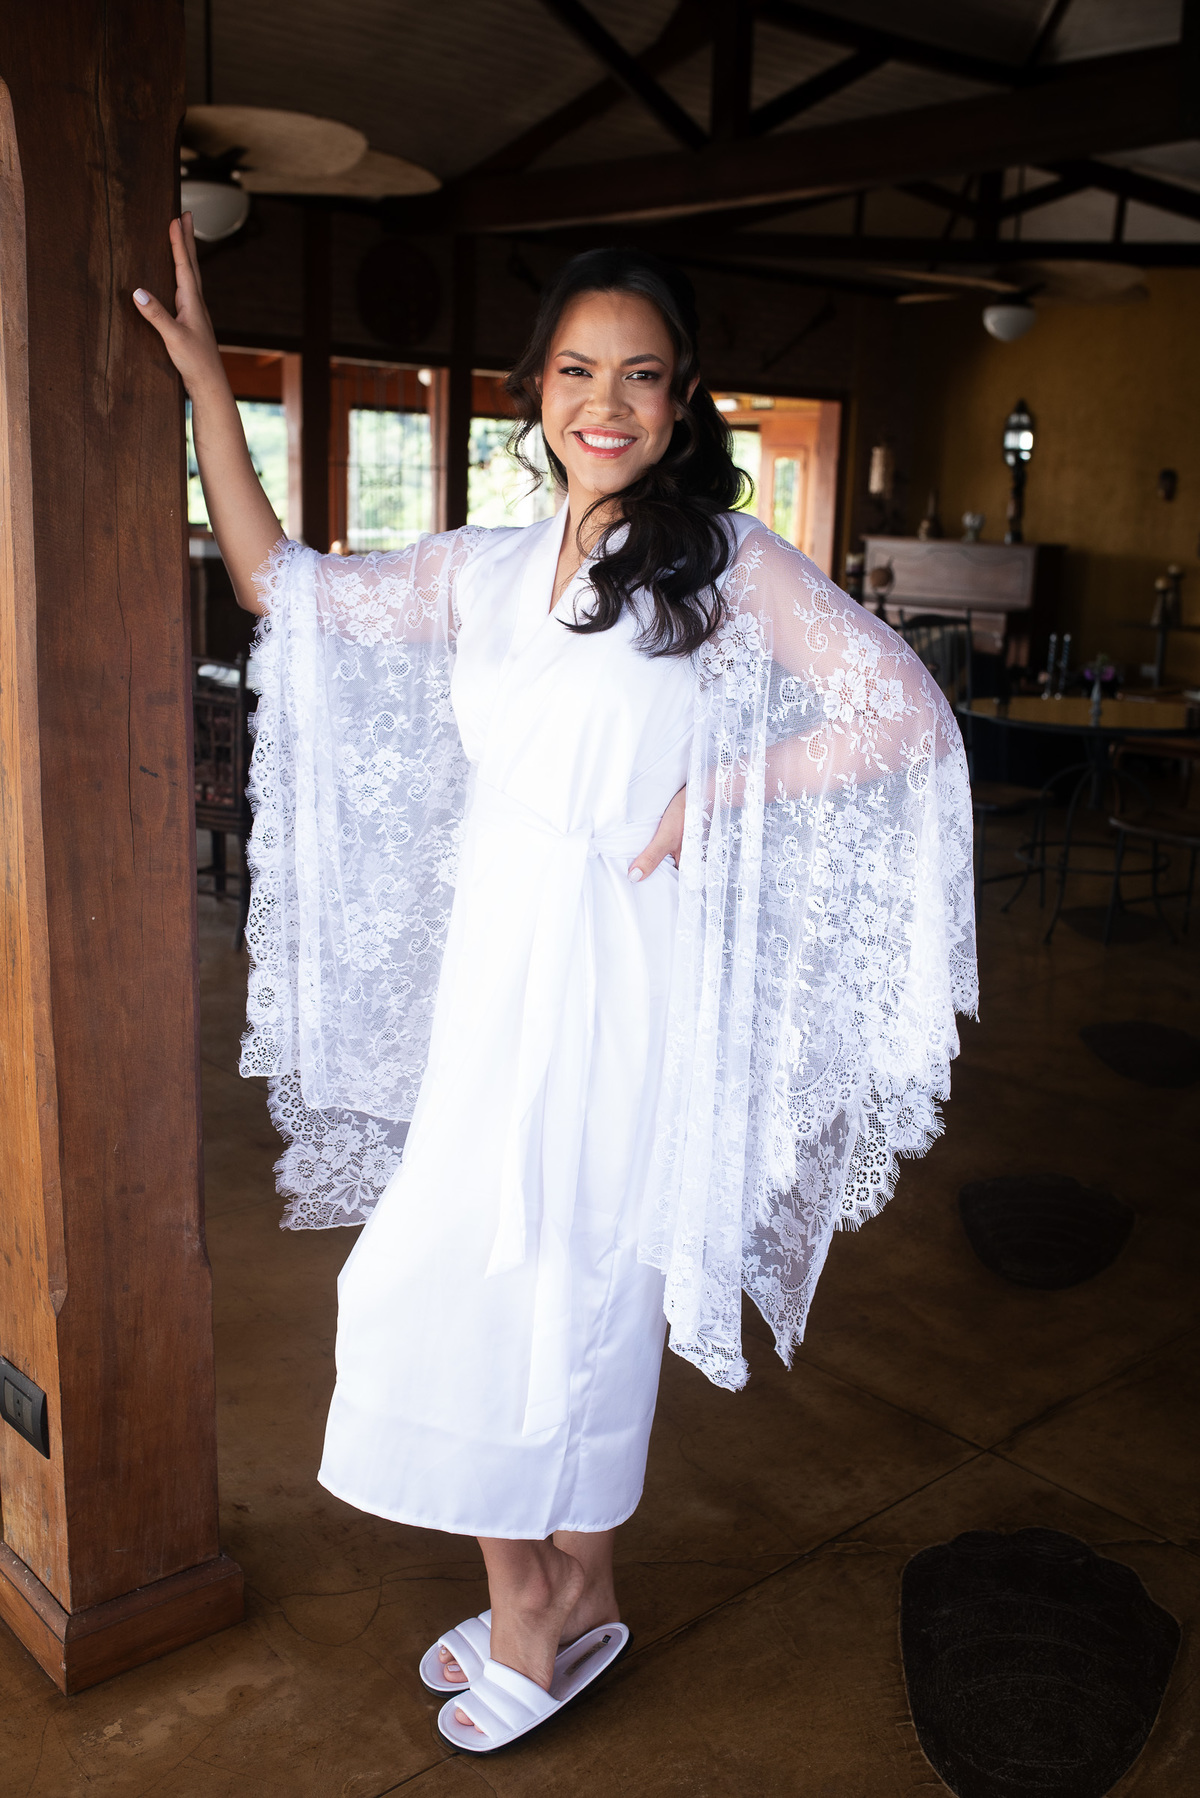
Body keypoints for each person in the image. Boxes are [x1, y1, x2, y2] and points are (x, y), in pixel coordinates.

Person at [135, 220, 977, 1752]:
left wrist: (712, 798)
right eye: (580, 370)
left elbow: (902, 712)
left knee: (570, 1283)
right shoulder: (485, 564)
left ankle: (545, 1603)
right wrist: (207, 382)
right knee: (445, 1273)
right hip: (495, 972)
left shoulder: (718, 563)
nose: (610, 402)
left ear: (682, 397)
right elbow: (281, 587)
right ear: (534, 389)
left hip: (614, 974)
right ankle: (568, 1587)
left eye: (642, 376)